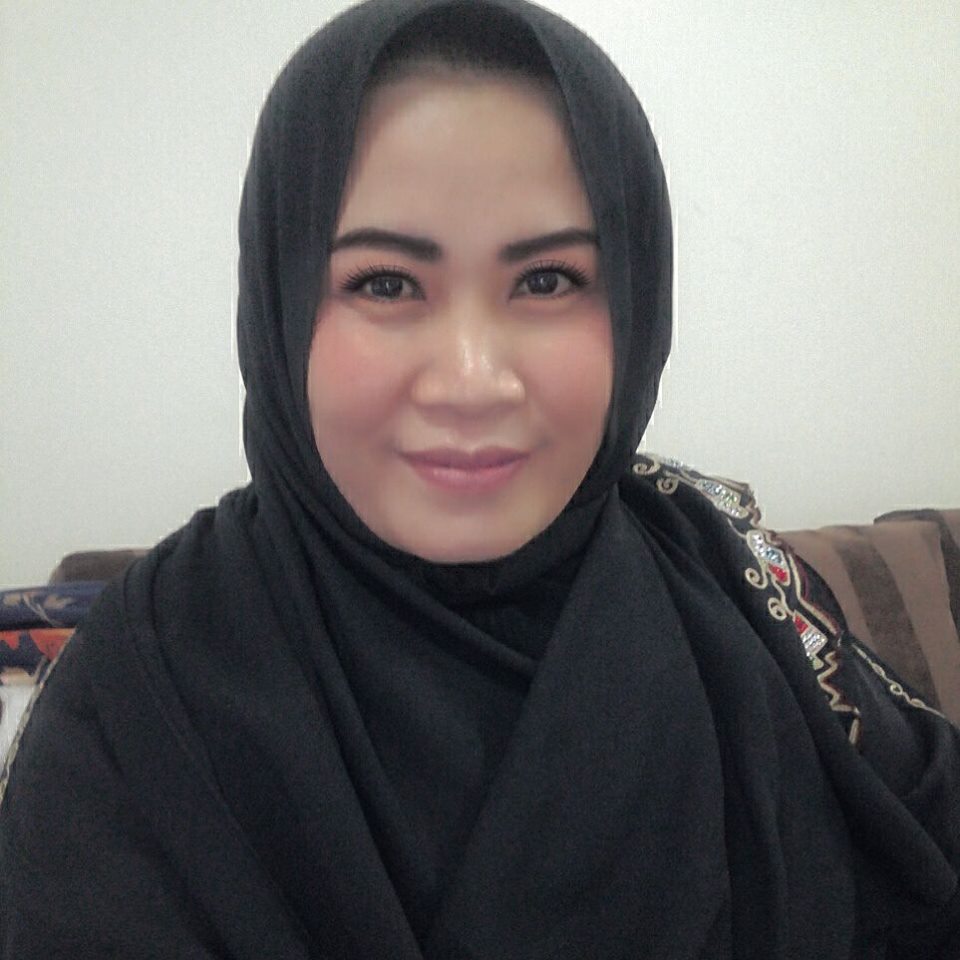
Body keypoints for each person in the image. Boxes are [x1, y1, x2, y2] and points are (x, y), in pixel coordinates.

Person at [1, 0, 957, 956]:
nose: (471, 381)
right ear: (280, 307)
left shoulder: (730, 585)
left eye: (547, 281)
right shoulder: (141, 695)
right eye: (384, 283)